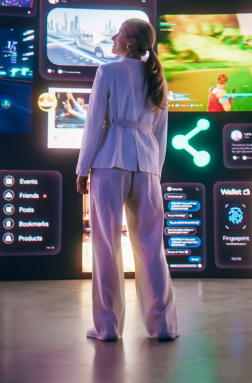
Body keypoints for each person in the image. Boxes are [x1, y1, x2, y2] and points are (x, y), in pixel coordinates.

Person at [75, 18, 176, 341]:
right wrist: (155, 172)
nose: (114, 37)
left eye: (119, 32)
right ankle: (162, 325)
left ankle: (107, 327)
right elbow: (160, 135)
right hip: (146, 166)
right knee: (151, 248)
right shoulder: (158, 79)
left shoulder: (108, 72)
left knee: (105, 246)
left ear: (130, 42)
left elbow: (93, 125)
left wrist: (82, 168)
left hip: (108, 163)